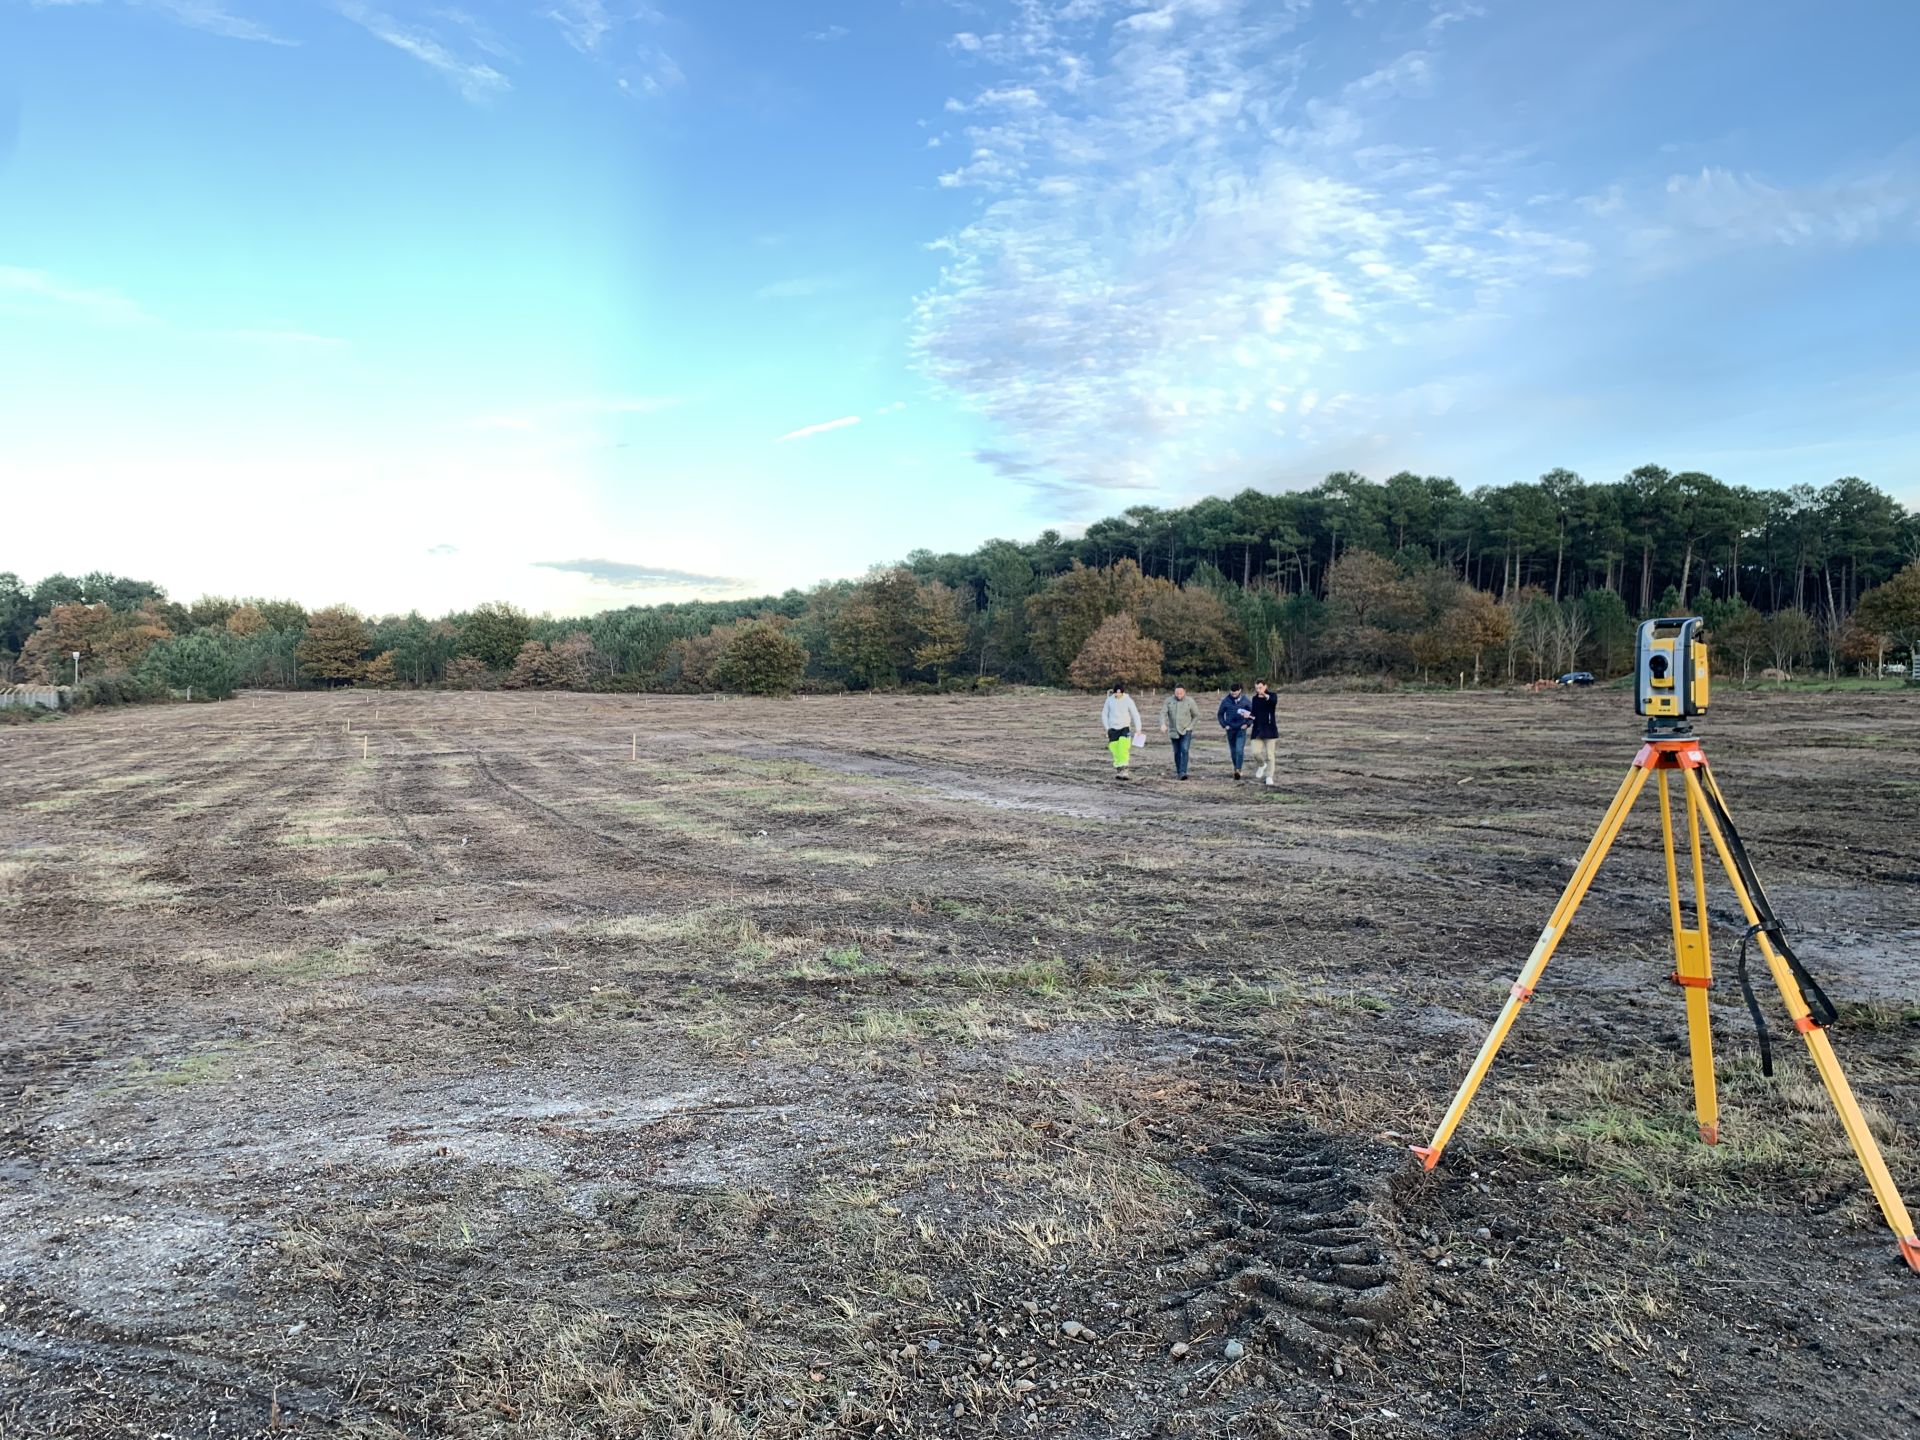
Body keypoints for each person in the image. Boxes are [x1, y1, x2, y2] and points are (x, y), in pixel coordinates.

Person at [1101, 682, 1143, 778]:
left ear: (1123, 693)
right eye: (1116, 693)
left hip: (1124, 727)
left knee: (1123, 747)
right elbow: (1104, 714)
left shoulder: (1128, 700)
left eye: (1120, 693)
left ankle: (1125, 768)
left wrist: (1138, 728)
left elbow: (1135, 714)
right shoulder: (1109, 700)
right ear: (1114, 693)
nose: (1118, 695)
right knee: (1115, 749)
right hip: (1113, 728)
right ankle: (1119, 768)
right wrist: (1107, 728)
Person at [1159, 684, 1200, 780]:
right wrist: (1163, 724)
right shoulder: (1169, 701)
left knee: (1184, 750)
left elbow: (1196, 715)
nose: (1179, 695)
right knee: (1177, 751)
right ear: (1174, 692)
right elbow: (1162, 713)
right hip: (1173, 731)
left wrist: (1190, 727)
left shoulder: (1190, 701)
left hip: (1186, 730)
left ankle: (1183, 772)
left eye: (1180, 693)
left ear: (1184, 692)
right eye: (1177, 693)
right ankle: (1179, 771)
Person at [1216, 682, 1253, 780]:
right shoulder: (1226, 701)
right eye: (1232, 694)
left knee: (1239, 750)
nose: (1234, 695)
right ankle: (1235, 768)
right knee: (1233, 751)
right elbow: (1220, 714)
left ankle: (1238, 770)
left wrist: (1248, 724)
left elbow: (1253, 714)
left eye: (1235, 694)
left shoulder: (1246, 701)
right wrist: (1224, 725)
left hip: (1241, 729)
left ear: (1240, 691)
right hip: (1230, 730)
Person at [1247, 679, 1280, 787]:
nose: (1258, 690)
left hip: (1270, 730)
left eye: (1260, 688)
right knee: (1255, 752)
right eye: (1256, 688)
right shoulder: (1255, 699)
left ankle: (1269, 776)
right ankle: (1262, 765)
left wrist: (1265, 695)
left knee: (1270, 755)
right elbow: (1254, 714)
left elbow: (1273, 701)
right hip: (1257, 730)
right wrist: (1248, 716)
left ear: (1265, 686)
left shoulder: (1272, 696)